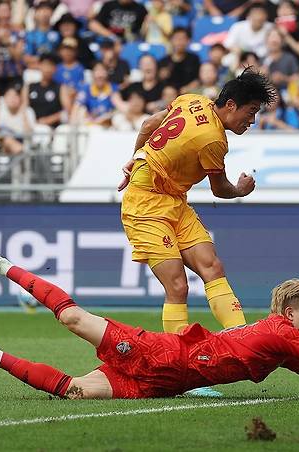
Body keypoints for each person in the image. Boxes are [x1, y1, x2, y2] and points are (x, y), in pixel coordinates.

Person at [0, 242, 299, 400]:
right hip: (162, 354)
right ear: (291, 312)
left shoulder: (281, 342)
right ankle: (0, 263)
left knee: (75, 391)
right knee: (74, 319)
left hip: (163, 383)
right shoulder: (281, 331)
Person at [117, 68, 277, 334]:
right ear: (230, 105)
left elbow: (148, 125)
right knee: (177, 286)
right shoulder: (213, 140)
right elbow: (219, 189)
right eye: (250, 112)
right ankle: (176, 360)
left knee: (212, 266)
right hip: (146, 204)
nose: (252, 120)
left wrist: (136, 159)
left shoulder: (193, 100)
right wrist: (239, 190)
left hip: (173, 200)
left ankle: (242, 340)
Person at [158, 28, 201, 93]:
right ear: (171, 40)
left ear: (188, 41)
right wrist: (161, 76)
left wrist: (188, 88)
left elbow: (198, 79)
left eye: (183, 39)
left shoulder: (194, 59)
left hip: (188, 95)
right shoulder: (164, 61)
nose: (180, 42)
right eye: (177, 39)